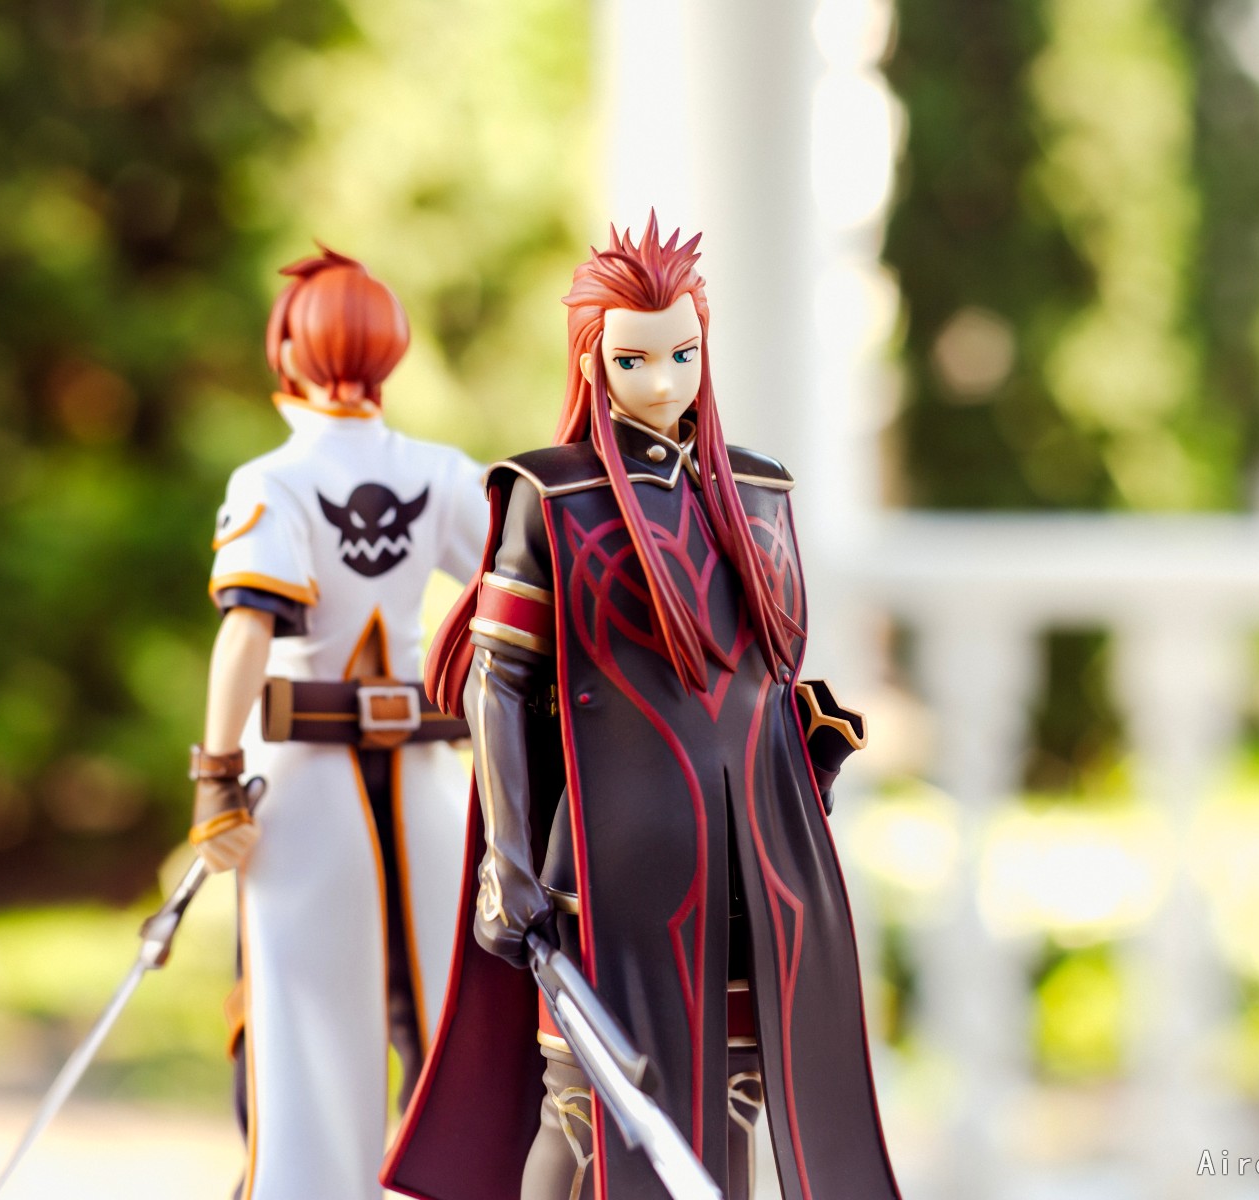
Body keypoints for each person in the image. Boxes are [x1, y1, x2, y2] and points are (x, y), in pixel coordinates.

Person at [383, 215, 899, 1200]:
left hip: (751, 860)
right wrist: (508, 858)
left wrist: (807, 761)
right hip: (607, 862)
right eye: (634, 359)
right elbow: (500, 681)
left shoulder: (756, 491)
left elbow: (767, 675)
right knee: (583, 1108)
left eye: (682, 354)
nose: (663, 382)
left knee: (737, 1099)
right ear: (593, 361)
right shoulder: (554, 494)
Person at [189, 247, 486, 1200]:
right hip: (426, 788)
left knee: (305, 1027)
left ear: (289, 351)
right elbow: (530, 597)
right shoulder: (442, 474)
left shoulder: (272, 481)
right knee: (442, 1016)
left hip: (307, 791)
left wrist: (215, 777)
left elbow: (247, 630)